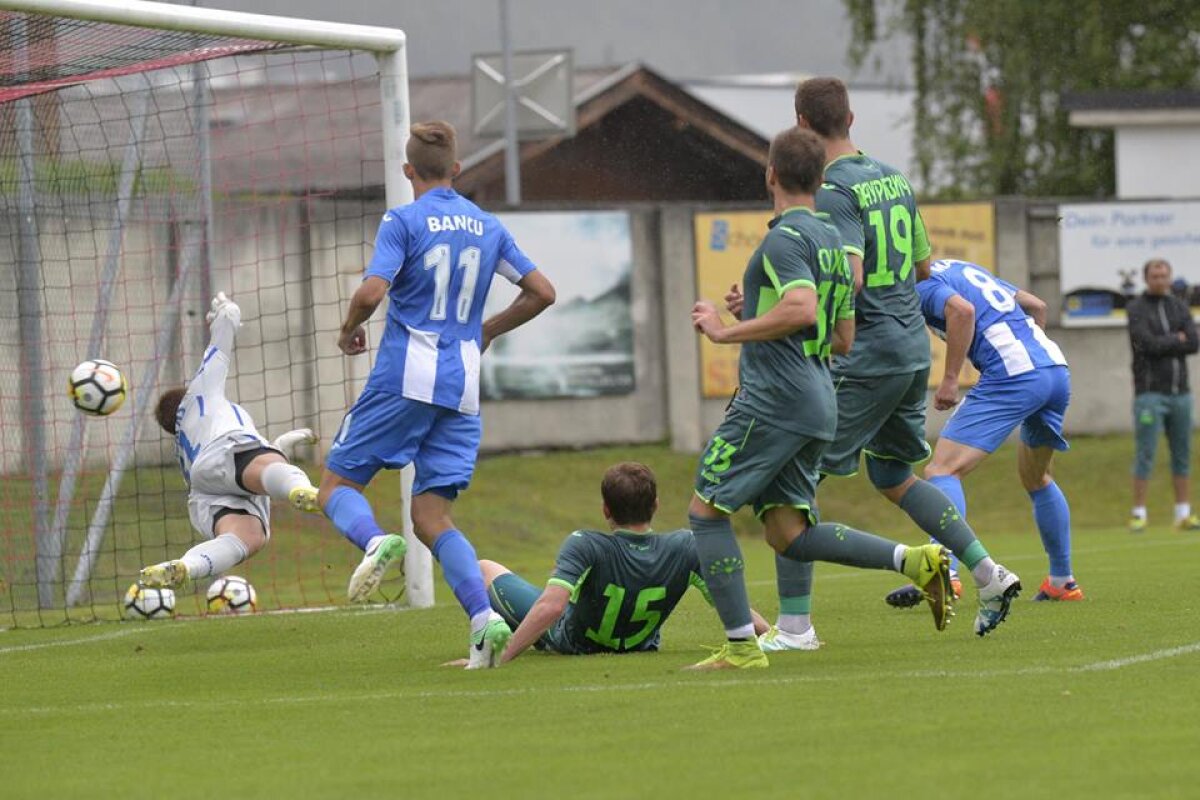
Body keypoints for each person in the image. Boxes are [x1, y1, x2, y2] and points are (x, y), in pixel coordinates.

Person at [686, 125, 954, 671]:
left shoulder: (785, 238)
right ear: (818, 177)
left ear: (771, 176)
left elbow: (804, 311)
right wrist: (756, 315)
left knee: (706, 514)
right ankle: (915, 560)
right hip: (816, 398)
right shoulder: (832, 240)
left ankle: (740, 644)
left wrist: (722, 330)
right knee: (788, 533)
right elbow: (841, 336)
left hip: (773, 399)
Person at [317, 121, 556, 669]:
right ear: (457, 169)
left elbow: (372, 289)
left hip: (407, 375)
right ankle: (483, 620)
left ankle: (375, 542)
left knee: (336, 485)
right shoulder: (487, 225)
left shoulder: (403, 220)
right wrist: (488, 330)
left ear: (407, 172)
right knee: (432, 519)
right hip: (463, 384)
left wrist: (349, 326)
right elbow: (542, 292)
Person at [791, 76, 1019, 637]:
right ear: (852, 119)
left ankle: (795, 626)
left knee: (787, 479)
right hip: (912, 349)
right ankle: (988, 572)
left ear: (802, 125)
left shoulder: (833, 190)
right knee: (893, 473)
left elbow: (851, 274)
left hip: (865, 354)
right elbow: (921, 269)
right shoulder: (892, 178)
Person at [885, 259, 1075, 613]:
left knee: (942, 471)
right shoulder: (960, 267)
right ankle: (1062, 581)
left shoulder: (920, 281)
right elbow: (1037, 306)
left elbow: (963, 311)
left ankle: (946, 571)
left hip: (1013, 375)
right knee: (1037, 477)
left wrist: (951, 377)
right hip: (1054, 369)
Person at [475, 462, 771, 664]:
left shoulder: (586, 543)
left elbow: (552, 607)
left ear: (605, 509)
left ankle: (486, 637)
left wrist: (500, 659)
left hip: (572, 643)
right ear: (655, 505)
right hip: (639, 645)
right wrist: (770, 632)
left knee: (484, 568)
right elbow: (728, 601)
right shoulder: (685, 546)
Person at [140, 292, 322, 589]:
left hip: (202, 487)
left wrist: (280, 448)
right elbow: (222, 338)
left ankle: (187, 565)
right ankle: (303, 489)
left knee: (248, 537)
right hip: (224, 451)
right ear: (186, 394)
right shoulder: (200, 394)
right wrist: (227, 311)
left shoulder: (183, 444)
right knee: (263, 463)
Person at [1126, 258, 1200, 532]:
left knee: (1182, 453)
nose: (1160, 280)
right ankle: (1139, 513)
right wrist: (1175, 339)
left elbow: (1194, 342)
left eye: (1164, 275)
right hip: (1149, 395)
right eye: (1154, 276)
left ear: (1170, 278)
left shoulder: (1179, 306)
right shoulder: (1136, 308)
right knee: (1145, 453)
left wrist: (1175, 340)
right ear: (1146, 279)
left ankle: (1183, 513)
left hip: (1181, 394)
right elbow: (1147, 344)